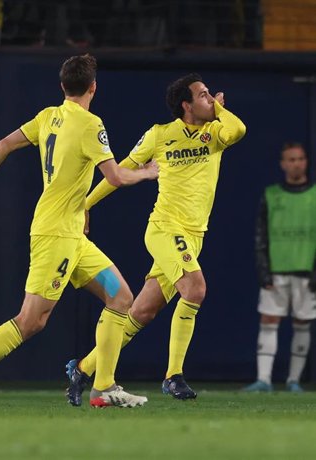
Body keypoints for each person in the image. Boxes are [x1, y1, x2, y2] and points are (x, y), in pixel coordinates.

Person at [0, 54, 159, 409]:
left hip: (73, 238)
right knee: (31, 320)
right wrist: (148, 172)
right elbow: (116, 177)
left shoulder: (48, 117)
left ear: (62, 87)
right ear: (93, 87)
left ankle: (103, 386)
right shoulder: (91, 125)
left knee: (120, 298)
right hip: (55, 237)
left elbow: (4, 144)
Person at [66, 73, 246, 403]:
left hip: (194, 236)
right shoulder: (160, 135)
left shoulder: (215, 133)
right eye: (203, 95)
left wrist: (218, 110)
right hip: (165, 229)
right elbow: (118, 173)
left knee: (141, 313)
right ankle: (173, 376)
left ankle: (83, 368)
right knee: (195, 288)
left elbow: (239, 129)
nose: (210, 99)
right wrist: (84, 205)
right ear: (186, 105)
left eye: (210, 95)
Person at [244, 142, 316, 392]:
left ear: (305, 161)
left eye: (300, 159)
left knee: (302, 323)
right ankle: (263, 380)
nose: (296, 163)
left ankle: (293, 380)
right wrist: (264, 269)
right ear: (283, 164)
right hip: (277, 270)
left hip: (306, 271)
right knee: (269, 319)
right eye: (291, 159)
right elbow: (260, 235)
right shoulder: (272, 194)